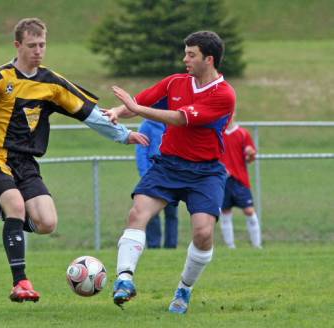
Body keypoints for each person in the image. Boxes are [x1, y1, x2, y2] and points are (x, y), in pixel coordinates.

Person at [0, 17, 149, 304]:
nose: (38, 51)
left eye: (42, 44)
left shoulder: (52, 83)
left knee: (46, 222)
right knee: (16, 206)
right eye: (32, 45)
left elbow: (88, 111)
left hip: (26, 161)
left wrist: (123, 135)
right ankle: (20, 282)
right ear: (17, 45)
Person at [104, 31, 236, 314]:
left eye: (191, 54)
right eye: (185, 53)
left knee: (202, 234)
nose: (184, 59)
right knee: (137, 213)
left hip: (206, 172)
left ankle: (184, 289)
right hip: (169, 164)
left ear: (208, 59)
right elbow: (140, 100)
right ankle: (124, 279)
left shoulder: (224, 94)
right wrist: (117, 111)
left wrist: (137, 108)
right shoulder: (175, 82)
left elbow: (179, 118)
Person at [136, 119, 179, 248]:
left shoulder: (174, 122)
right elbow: (141, 151)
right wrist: (145, 174)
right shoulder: (147, 125)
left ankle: (171, 246)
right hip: (153, 177)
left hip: (171, 176)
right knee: (151, 214)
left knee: (172, 213)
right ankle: (154, 246)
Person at [219, 117, 262, 249]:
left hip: (240, 180)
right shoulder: (218, 133)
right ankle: (231, 247)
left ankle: (257, 246)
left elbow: (250, 158)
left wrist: (250, 153)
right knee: (225, 212)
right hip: (223, 180)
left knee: (249, 211)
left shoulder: (243, 133)